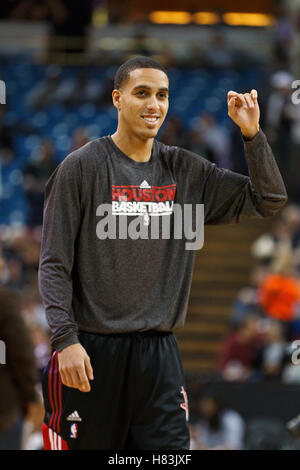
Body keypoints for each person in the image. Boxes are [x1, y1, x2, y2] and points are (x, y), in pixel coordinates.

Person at [38, 56, 287, 450]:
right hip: (90, 352)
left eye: (162, 95)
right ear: (117, 99)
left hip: (159, 355)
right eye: (142, 93)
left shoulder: (187, 170)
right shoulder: (80, 168)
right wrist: (65, 340)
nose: (154, 104)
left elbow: (270, 198)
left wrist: (252, 135)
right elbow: (53, 264)